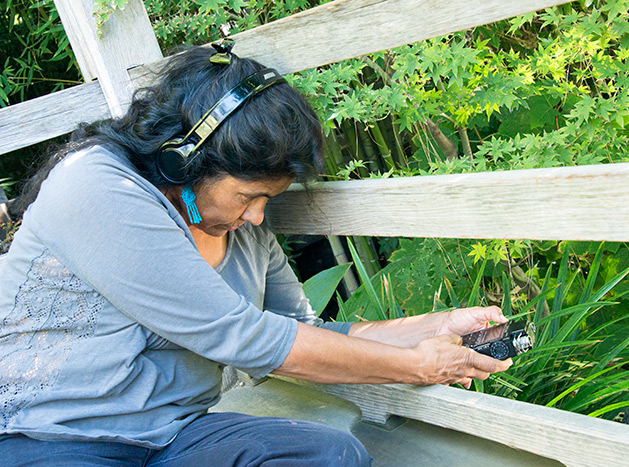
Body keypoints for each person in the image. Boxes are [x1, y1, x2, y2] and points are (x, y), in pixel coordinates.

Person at [0, 42, 511, 466]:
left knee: (329, 455)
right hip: (47, 439)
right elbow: (243, 337)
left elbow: (299, 331)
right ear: (186, 160)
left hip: (172, 441)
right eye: (250, 196)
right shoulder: (96, 185)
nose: (259, 218)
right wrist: (418, 367)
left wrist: (433, 328)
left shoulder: (239, 230)